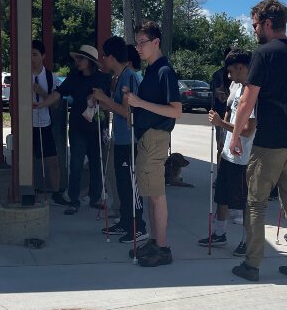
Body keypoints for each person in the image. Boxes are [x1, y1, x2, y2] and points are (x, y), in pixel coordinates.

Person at [229, 0, 287, 282]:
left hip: (270, 144)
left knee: (256, 204)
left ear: (266, 23)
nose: (253, 30)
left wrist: (235, 136)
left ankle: (251, 265)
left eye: (255, 25)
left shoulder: (264, 54)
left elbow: (246, 100)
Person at [124, 21, 182, 267]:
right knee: (150, 191)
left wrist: (139, 103)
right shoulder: (151, 70)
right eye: (136, 43)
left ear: (155, 42)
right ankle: (156, 241)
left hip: (156, 138)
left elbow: (176, 110)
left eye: (142, 43)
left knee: (156, 194)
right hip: (147, 137)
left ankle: (163, 247)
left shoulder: (164, 71)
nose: (138, 48)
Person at [36, 44, 111, 215]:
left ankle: (95, 198)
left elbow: (109, 103)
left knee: (96, 164)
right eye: (76, 58)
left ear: (90, 61)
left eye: (81, 58)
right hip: (78, 128)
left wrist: (106, 123)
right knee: (76, 165)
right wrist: (42, 104)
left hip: (97, 127)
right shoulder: (73, 78)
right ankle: (74, 199)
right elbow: (58, 93)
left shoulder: (103, 79)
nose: (77, 61)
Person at [200, 49, 255, 258]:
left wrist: (221, 124)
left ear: (242, 67)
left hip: (244, 155)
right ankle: (219, 233)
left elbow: (249, 129)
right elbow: (229, 108)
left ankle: (246, 241)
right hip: (228, 151)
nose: (229, 76)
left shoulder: (253, 92)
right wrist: (223, 131)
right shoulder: (236, 85)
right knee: (222, 194)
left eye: (232, 72)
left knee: (244, 201)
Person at [92, 36, 148, 243]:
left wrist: (105, 100)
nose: (103, 60)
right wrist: (102, 102)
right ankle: (126, 221)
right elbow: (117, 107)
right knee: (122, 183)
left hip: (131, 140)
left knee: (131, 185)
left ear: (112, 57)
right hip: (121, 139)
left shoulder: (129, 77)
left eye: (104, 56)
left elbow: (128, 112)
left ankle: (138, 225)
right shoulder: (120, 77)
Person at [30, 39, 68, 206]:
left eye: (35, 55)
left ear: (43, 56)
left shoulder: (50, 77)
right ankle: (29, 190)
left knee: (52, 160)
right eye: (29, 55)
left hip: (44, 123)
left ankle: (55, 193)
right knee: (28, 160)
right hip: (27, 124)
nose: (32, 58)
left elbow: (56, 103)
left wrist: (43, 93)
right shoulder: (23, 75)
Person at [210, 48, 232, 156]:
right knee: (222, 147)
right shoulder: (218, 75)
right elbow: (220, 95)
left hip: (236, 116)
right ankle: (220, 170)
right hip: (221, 115)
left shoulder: (242, 74)